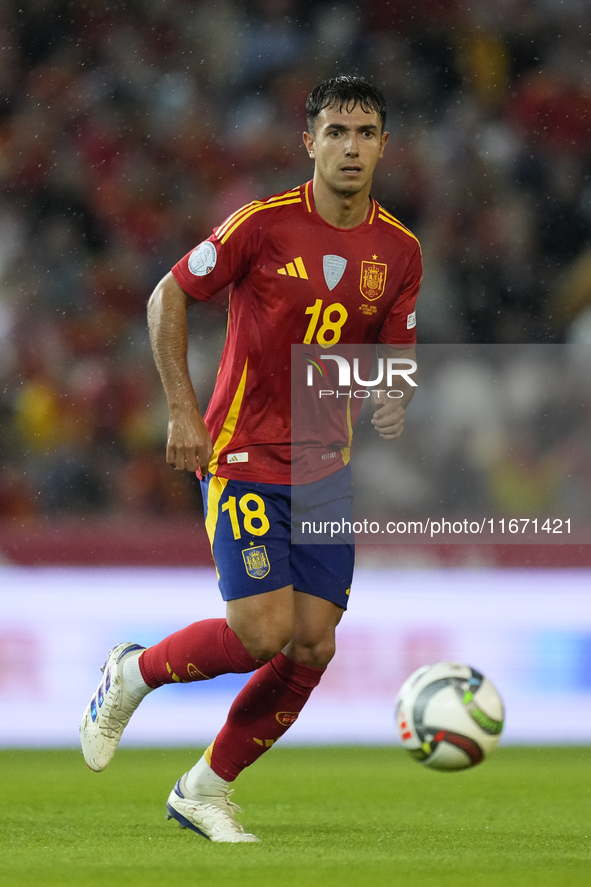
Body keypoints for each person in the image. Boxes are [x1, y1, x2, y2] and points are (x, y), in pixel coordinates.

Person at [80, 75, 422, 843]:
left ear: (383, 146)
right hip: (242, 451)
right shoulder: (262, 226)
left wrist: (394, 396)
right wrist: (179, 407)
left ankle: (203, 788)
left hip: (324, 469)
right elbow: (166, 294)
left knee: (314, 643)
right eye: (335, 132)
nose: (350, 146)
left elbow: (393, 355)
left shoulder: (399, 250)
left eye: (365, 133)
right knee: (261, 632)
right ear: (309, 142)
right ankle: (132, 671)